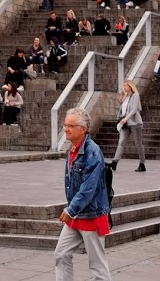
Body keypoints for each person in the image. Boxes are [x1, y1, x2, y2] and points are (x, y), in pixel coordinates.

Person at [55, 107, 112, 281]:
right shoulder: (73, 149)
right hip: (77, 214)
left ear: (83, 129)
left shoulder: (92, 151)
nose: (66, 129)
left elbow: (89, 188)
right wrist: (72, 210)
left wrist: (70, 210)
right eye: (65, 125)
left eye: (71, 126)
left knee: (97, 266)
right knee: (61, 254)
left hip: (91, 215)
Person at [109, 80, 146, 172]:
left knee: (138, 144)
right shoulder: (126, 97)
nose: (124, 87)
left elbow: (134, 110)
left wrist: (126, 118)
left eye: (125, 86)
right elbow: (123, 109)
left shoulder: (135, 95)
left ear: (130, 87)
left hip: (134, 123)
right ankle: (115, 162)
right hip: (125, 124)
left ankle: (142, 163)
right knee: (121, 142)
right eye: (123, 86)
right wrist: (121, 98)